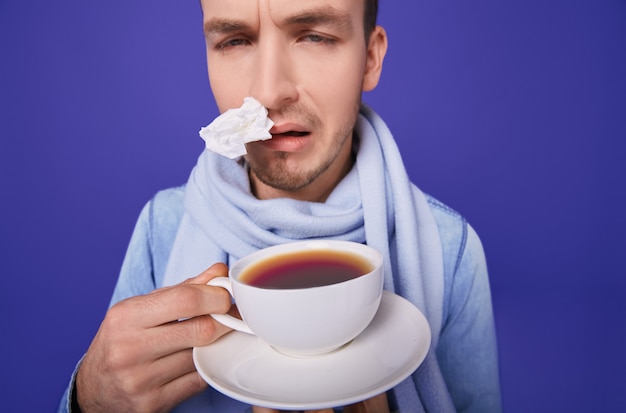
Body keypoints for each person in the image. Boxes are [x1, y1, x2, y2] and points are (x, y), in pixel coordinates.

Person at [58, 0, 502, 412]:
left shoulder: (449, 251)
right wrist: (90, 397)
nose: (269, 92)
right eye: (234, 41)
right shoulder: (163, 229)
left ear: (370, 58)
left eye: (313, 36)